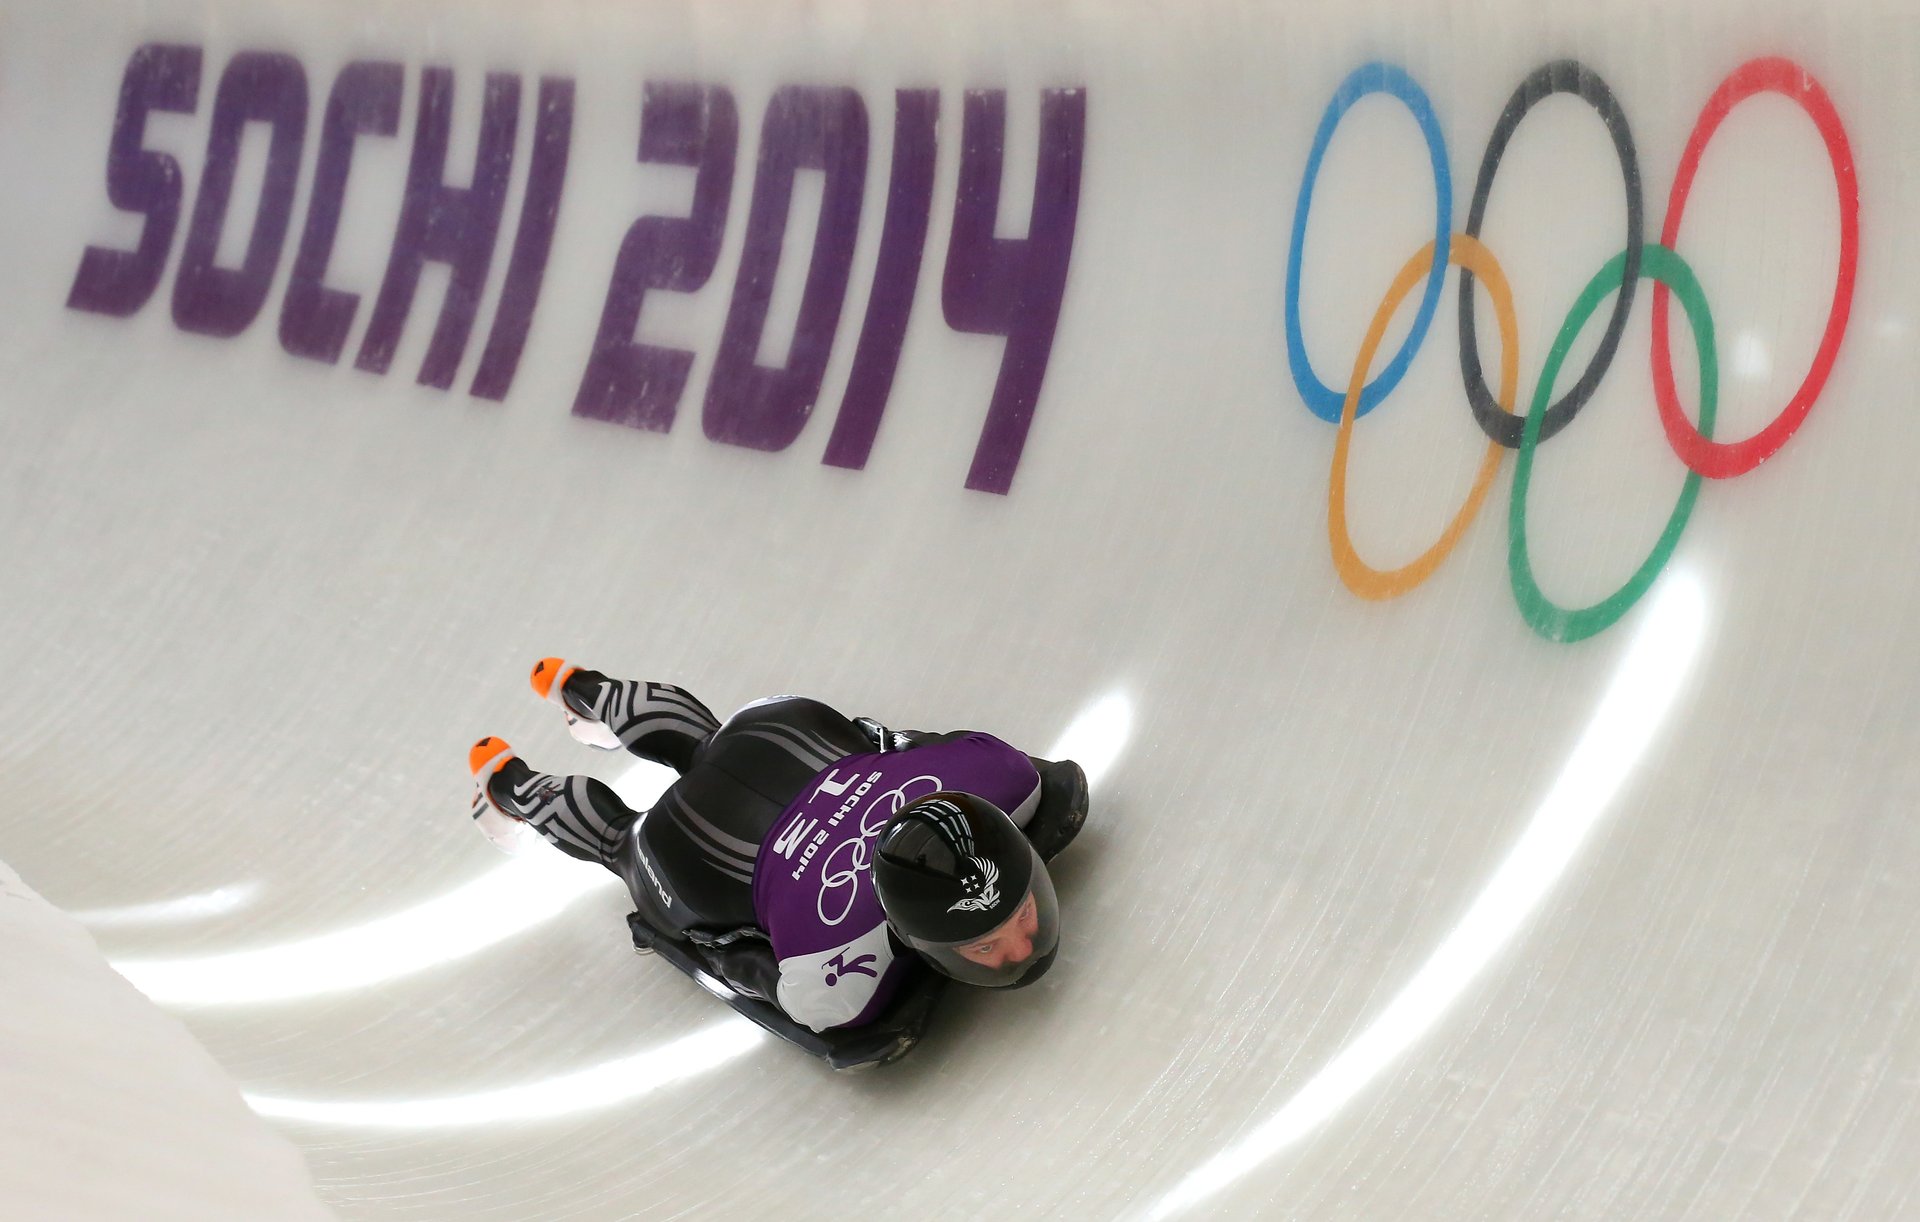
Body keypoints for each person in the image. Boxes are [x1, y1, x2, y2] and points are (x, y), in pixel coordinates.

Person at [466, 659, 1088, 1054]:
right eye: (986, 947)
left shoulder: (999, 775)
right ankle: (513, 785)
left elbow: (901, 743)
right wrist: (677, 934)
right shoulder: (836, 979)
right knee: (626, 841)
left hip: (782, 731)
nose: (1020, 953)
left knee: (712, 742)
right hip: (690, 849)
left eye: (1019, 916)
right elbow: (744, 965)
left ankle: (578, 690)